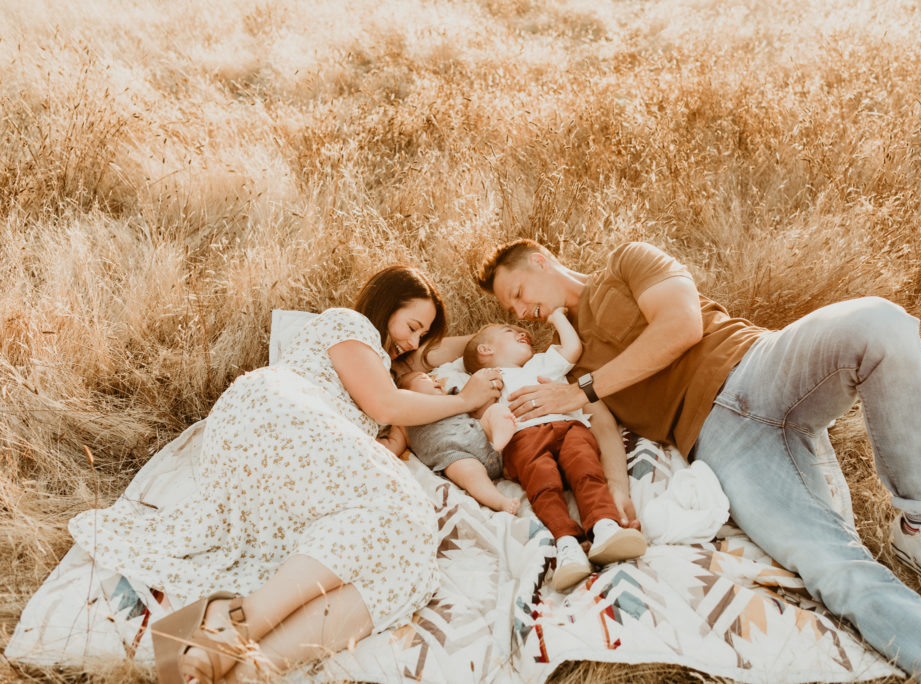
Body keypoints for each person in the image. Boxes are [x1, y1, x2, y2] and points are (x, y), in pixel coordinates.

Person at [472, 239, 921, 684]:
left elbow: (682, 325)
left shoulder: (628, 261)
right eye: (511, 311)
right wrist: (616, 485)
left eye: (518, 292)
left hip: (758, 363)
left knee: (882, 323)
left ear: (542, 259)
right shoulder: (559, 366)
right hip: (720, 440)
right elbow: (591, 421)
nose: (521, 311)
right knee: (833, 571)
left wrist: (586, 388)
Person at [67, 266, 504, 683]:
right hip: (278, 411)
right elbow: (386, 405)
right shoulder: (349, 325)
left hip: (288, 450)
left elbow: (395, 415)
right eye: (412, 326)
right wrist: (465, 400)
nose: (413, 343)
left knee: (409, 568)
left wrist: (402, 432)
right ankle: (234, 625)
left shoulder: (382, 368)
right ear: (386, 304)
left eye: (422, 336)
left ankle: (246, 668)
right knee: (408, 513)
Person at [462, 310, 647, 592]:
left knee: (587, 469)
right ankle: (567, 542)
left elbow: (573, 348)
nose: (519, 331)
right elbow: (476, 410)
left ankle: (604, 525)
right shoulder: (489, 378)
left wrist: (556, 317)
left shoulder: (543, 361)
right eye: (508, 331)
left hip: (569, 424)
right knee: (542, 485)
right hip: (524, 436)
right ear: (486, 349)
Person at [392, 370, 520, 514]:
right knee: (471, 476)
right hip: (456, 456)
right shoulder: (402, 421)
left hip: (480, 435)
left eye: (433, 378)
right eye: (423, 378)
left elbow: (477, 409)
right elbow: (391, 446)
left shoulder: (452, 397)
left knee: (495, 411)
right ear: (404, 394)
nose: (435, 381)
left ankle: (500, 440)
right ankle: (500, 501)